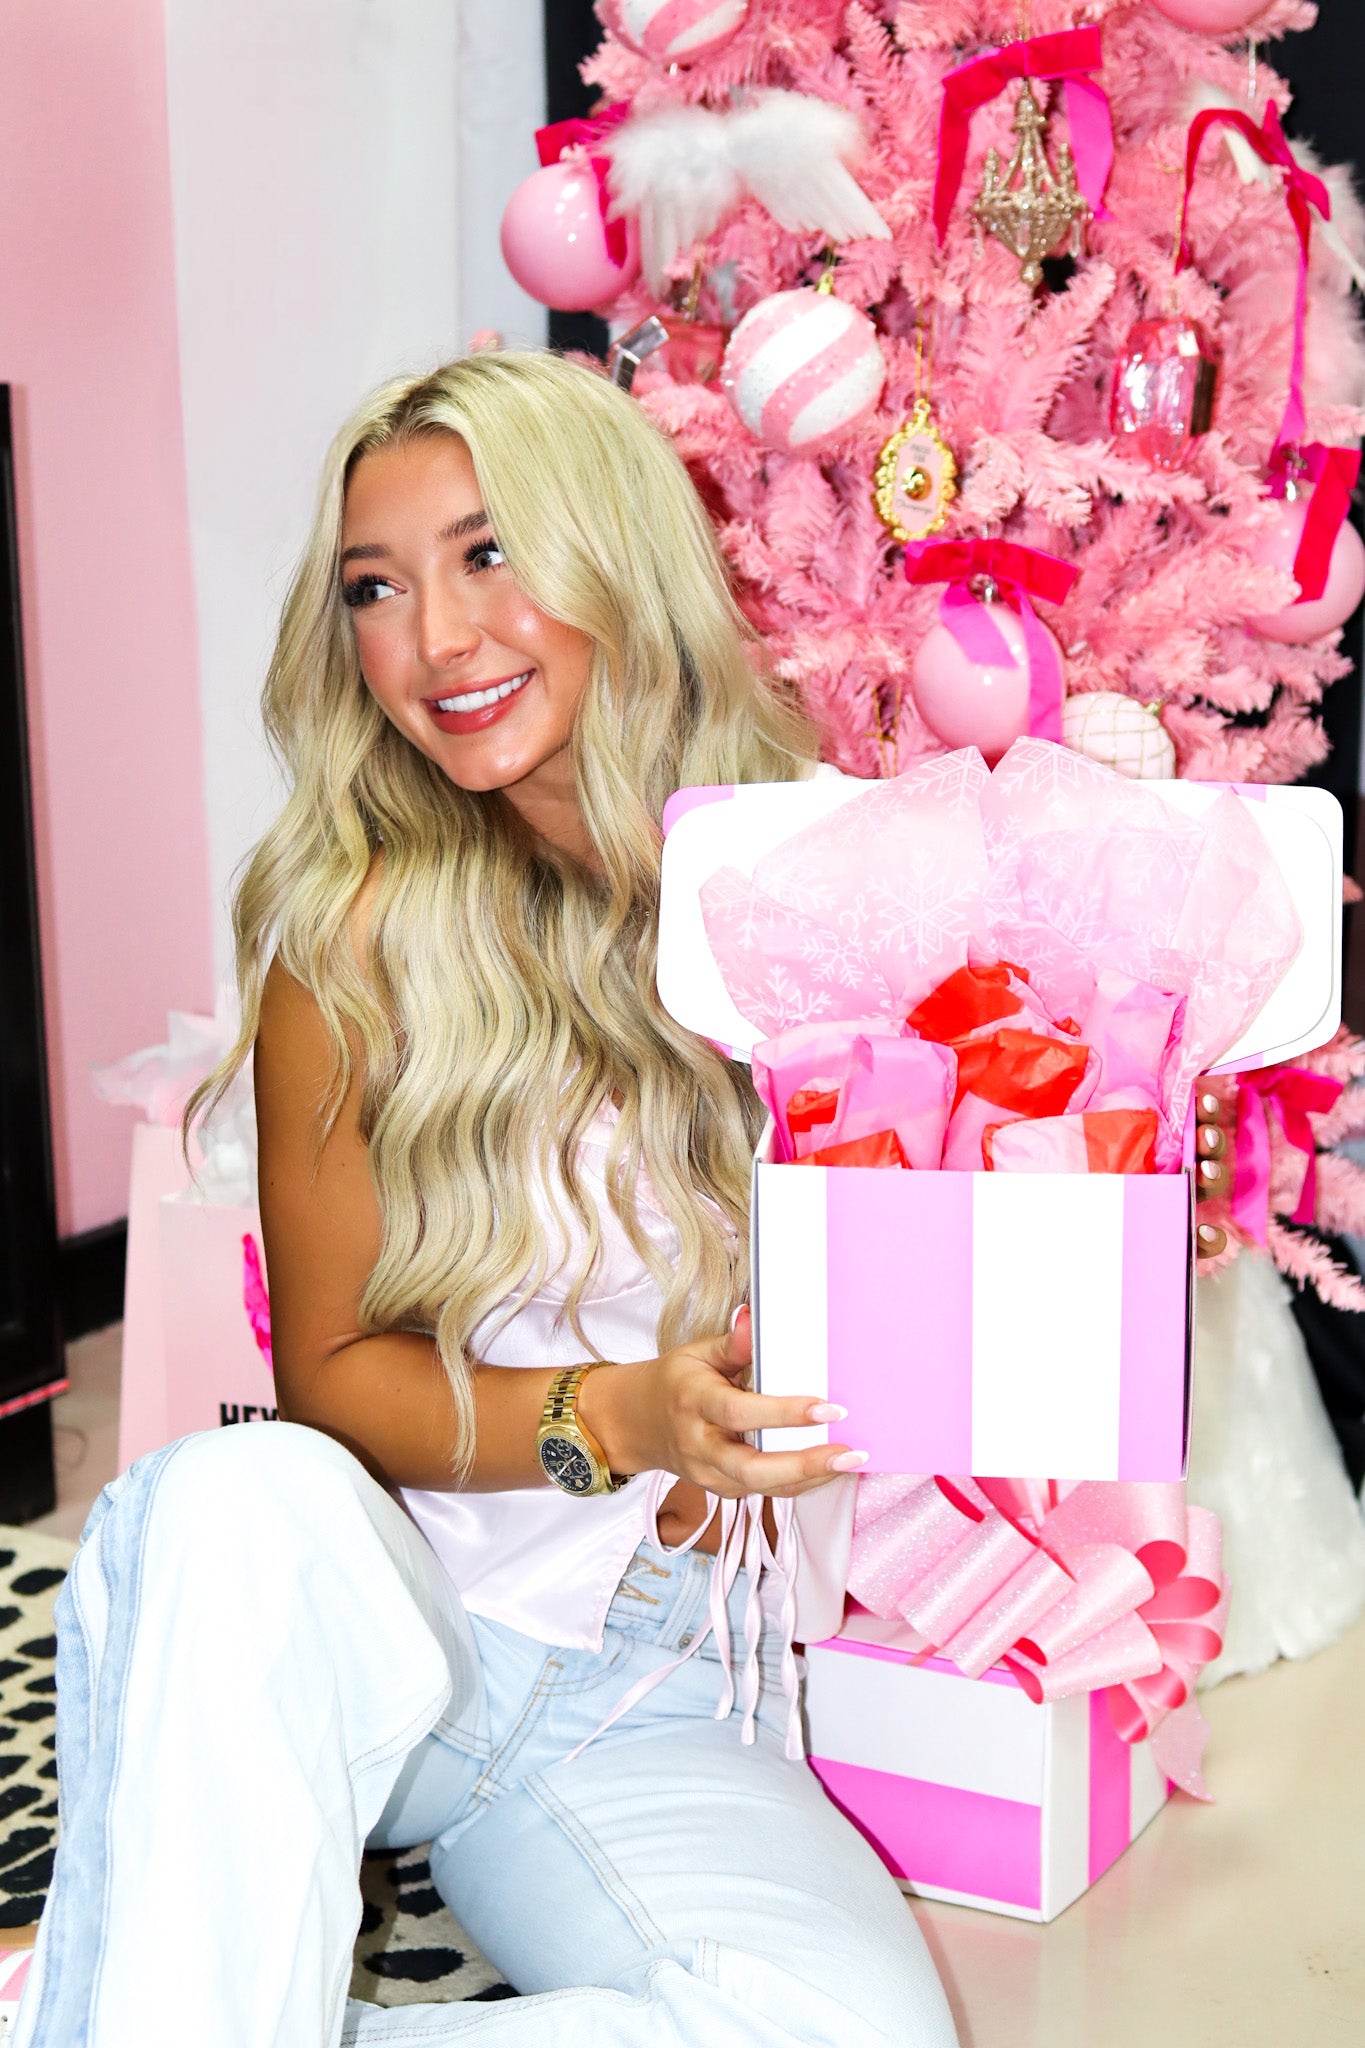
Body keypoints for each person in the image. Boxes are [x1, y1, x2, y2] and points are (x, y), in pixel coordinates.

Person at [17, 351, 958, 2048]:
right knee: (233, 1500)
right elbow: (332, 1380)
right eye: (375, 588)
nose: (435, 639)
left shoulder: (821, 876)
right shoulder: (351, 939)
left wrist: (1097, 1186)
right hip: (390, 1632)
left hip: (671, 1694)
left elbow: (950, 1229)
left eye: (487, 554)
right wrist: (623, 1414)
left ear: (616, 551)